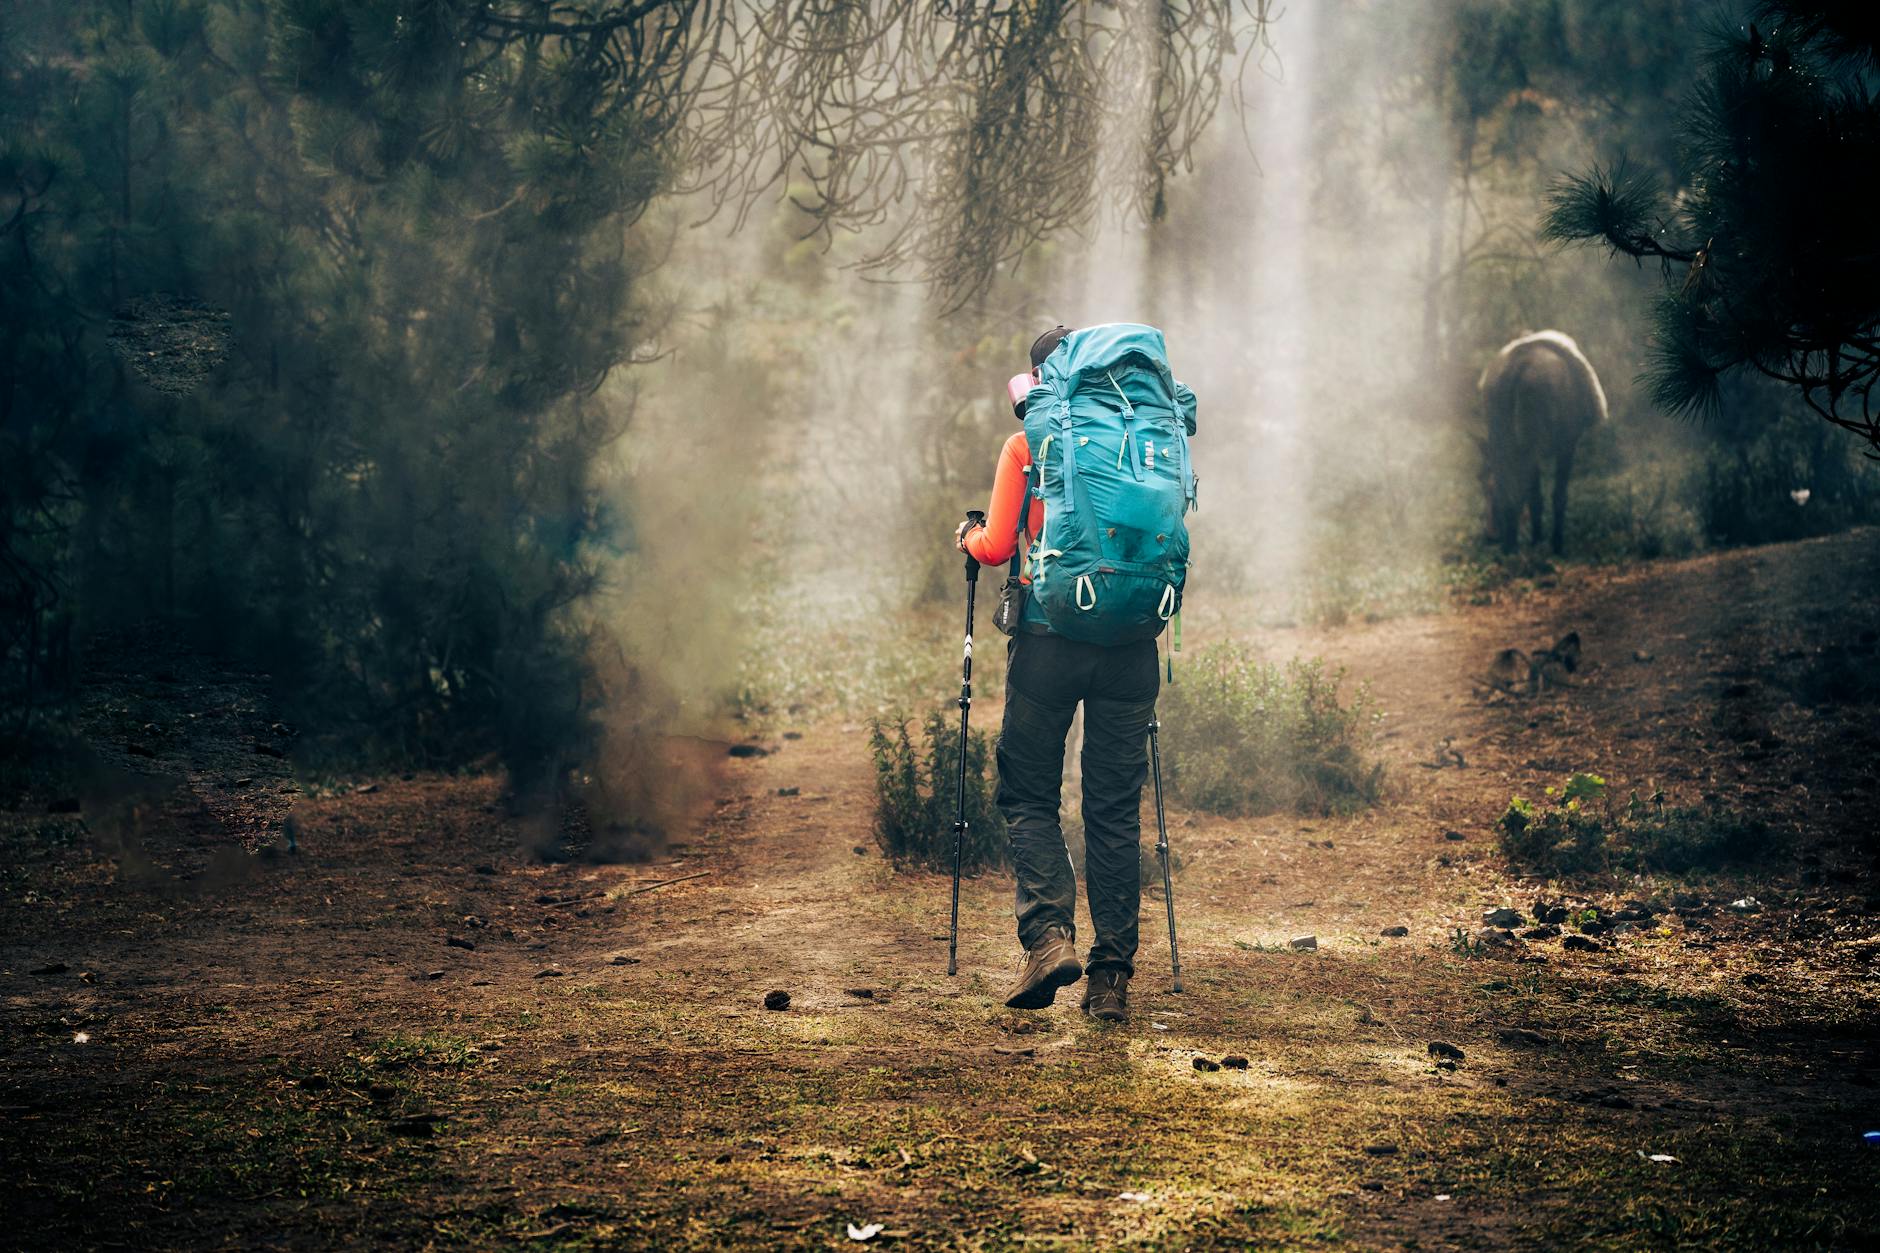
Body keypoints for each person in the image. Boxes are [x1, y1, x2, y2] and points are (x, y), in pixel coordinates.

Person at [953, 325, 1161, 1022]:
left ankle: (1048, 939)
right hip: (1133, 645)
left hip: (1049, 640)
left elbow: (995, 547)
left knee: (1030, 795)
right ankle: (1110, 982)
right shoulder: (1140, 441)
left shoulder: (1028, 442)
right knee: (1110, 812)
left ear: (1041, 381)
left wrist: (967, 533)